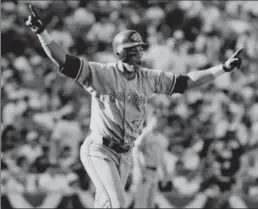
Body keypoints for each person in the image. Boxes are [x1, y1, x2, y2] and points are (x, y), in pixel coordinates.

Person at [25, 4, 243, 208]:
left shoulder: (148, 78)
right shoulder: (102, 72)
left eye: (139, 48)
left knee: (106, 205)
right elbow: (65, 61)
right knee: (119, 203)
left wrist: (223, 68)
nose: (138, 53)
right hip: (100, 149)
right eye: (133, 48)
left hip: (125, 154)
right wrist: (42, 33)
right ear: (120, 51)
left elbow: (186, 81)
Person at [131, 114, 171, 208]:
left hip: (154, 172)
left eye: (161, 121)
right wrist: (141, 171)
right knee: (140, 203)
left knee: (151, 203)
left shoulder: (163, 138)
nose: (159, 123)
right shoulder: (144, 133)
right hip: (144, 170)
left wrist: (165, 174)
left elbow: (162, 158)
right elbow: (136, 151)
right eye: (157, 120)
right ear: (151, 120)